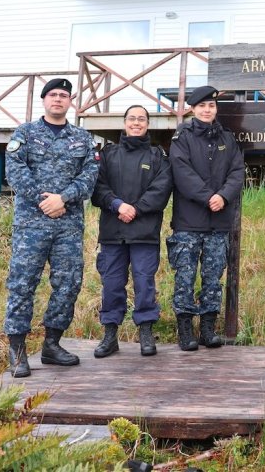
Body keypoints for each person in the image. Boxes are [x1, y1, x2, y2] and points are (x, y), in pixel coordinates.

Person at [4, 78, 99, 378]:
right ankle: (17, 350)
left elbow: (90, 176)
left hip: (68, 226)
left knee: (69, 283)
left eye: (64, 95)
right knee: (22, 284)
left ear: (70, 102)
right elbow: (15, 172)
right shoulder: (25, 133)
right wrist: (44, 201)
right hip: (31, 225)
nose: (58, 99)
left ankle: (52, 345)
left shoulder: (82, 138)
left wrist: (64, 198)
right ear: (44, 100)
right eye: (53, 95)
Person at [91, 105, 172, 358]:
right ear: (124, 122)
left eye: (141, 119)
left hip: (144, 233)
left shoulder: (158, 156)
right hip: (113, 233)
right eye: (132, 119)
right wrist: (118, 206)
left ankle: (146, 333)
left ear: (148, 124)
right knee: (112, 284)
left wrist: (135, 209)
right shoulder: (108, 154)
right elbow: (97, 188)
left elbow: (161, 190)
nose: (136, 123)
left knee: (144, 283)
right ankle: (110, 335)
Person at [167, 86, 244, 351]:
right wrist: (207, 196)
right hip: (188, 222)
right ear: (193, 109)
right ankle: (185, 330)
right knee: (185, 277)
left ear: (215, 109)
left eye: (211, 106)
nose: (207, 110)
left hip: (219, 222)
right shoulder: (182, 137)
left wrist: (222, 196)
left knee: (213, 277)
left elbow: (237, 171)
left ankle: (208, 329)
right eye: (202, 106)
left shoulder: (227, 138)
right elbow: (181, 172)